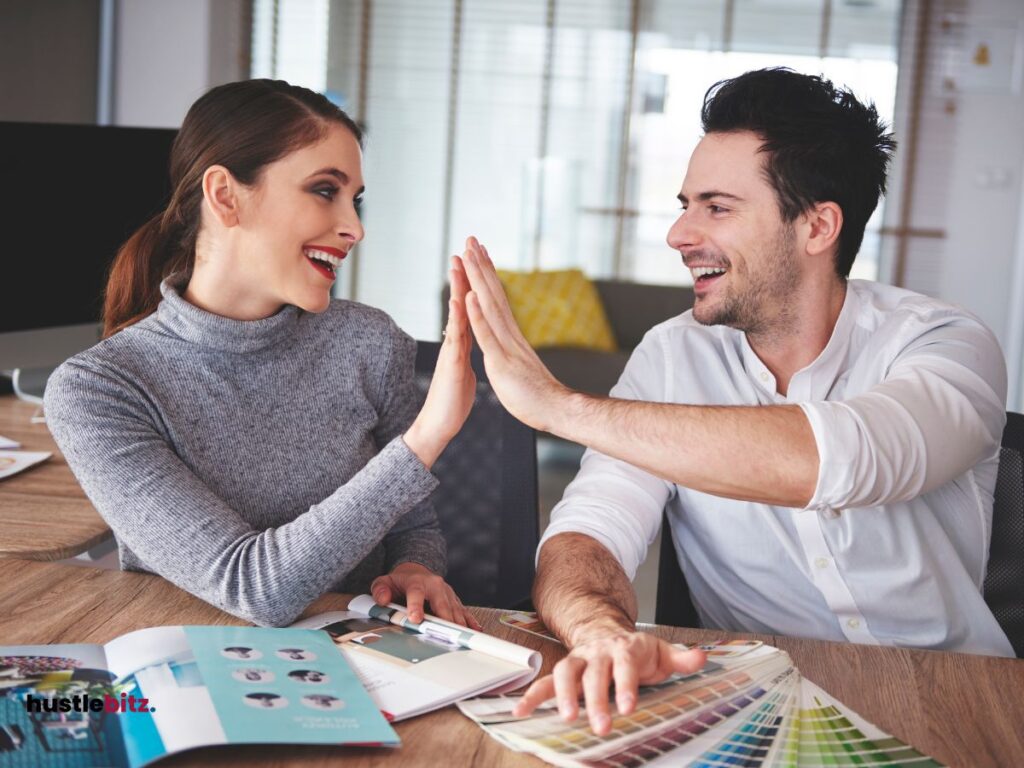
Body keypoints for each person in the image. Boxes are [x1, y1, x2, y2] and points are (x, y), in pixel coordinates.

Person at [458, 67, 1014, 734]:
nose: (679, 234)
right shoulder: (670, 357)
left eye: (716, 208)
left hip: (962, 699)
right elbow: (588, 532)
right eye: (685, 203)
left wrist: (558, 406)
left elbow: (843, 459)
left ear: (817, 228)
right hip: (764, 706)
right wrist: (602, 633)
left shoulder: (946, 344)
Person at [43, 79, 482, 629]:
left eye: (356, 199)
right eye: (325, 190)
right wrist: (428, 437)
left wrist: (416, 567)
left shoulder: (368, 342)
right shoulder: (100, 390)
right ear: (225, 196)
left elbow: (409, 522)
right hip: (193, 674)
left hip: (362, 666)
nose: (354, 227)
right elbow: (253, 587)